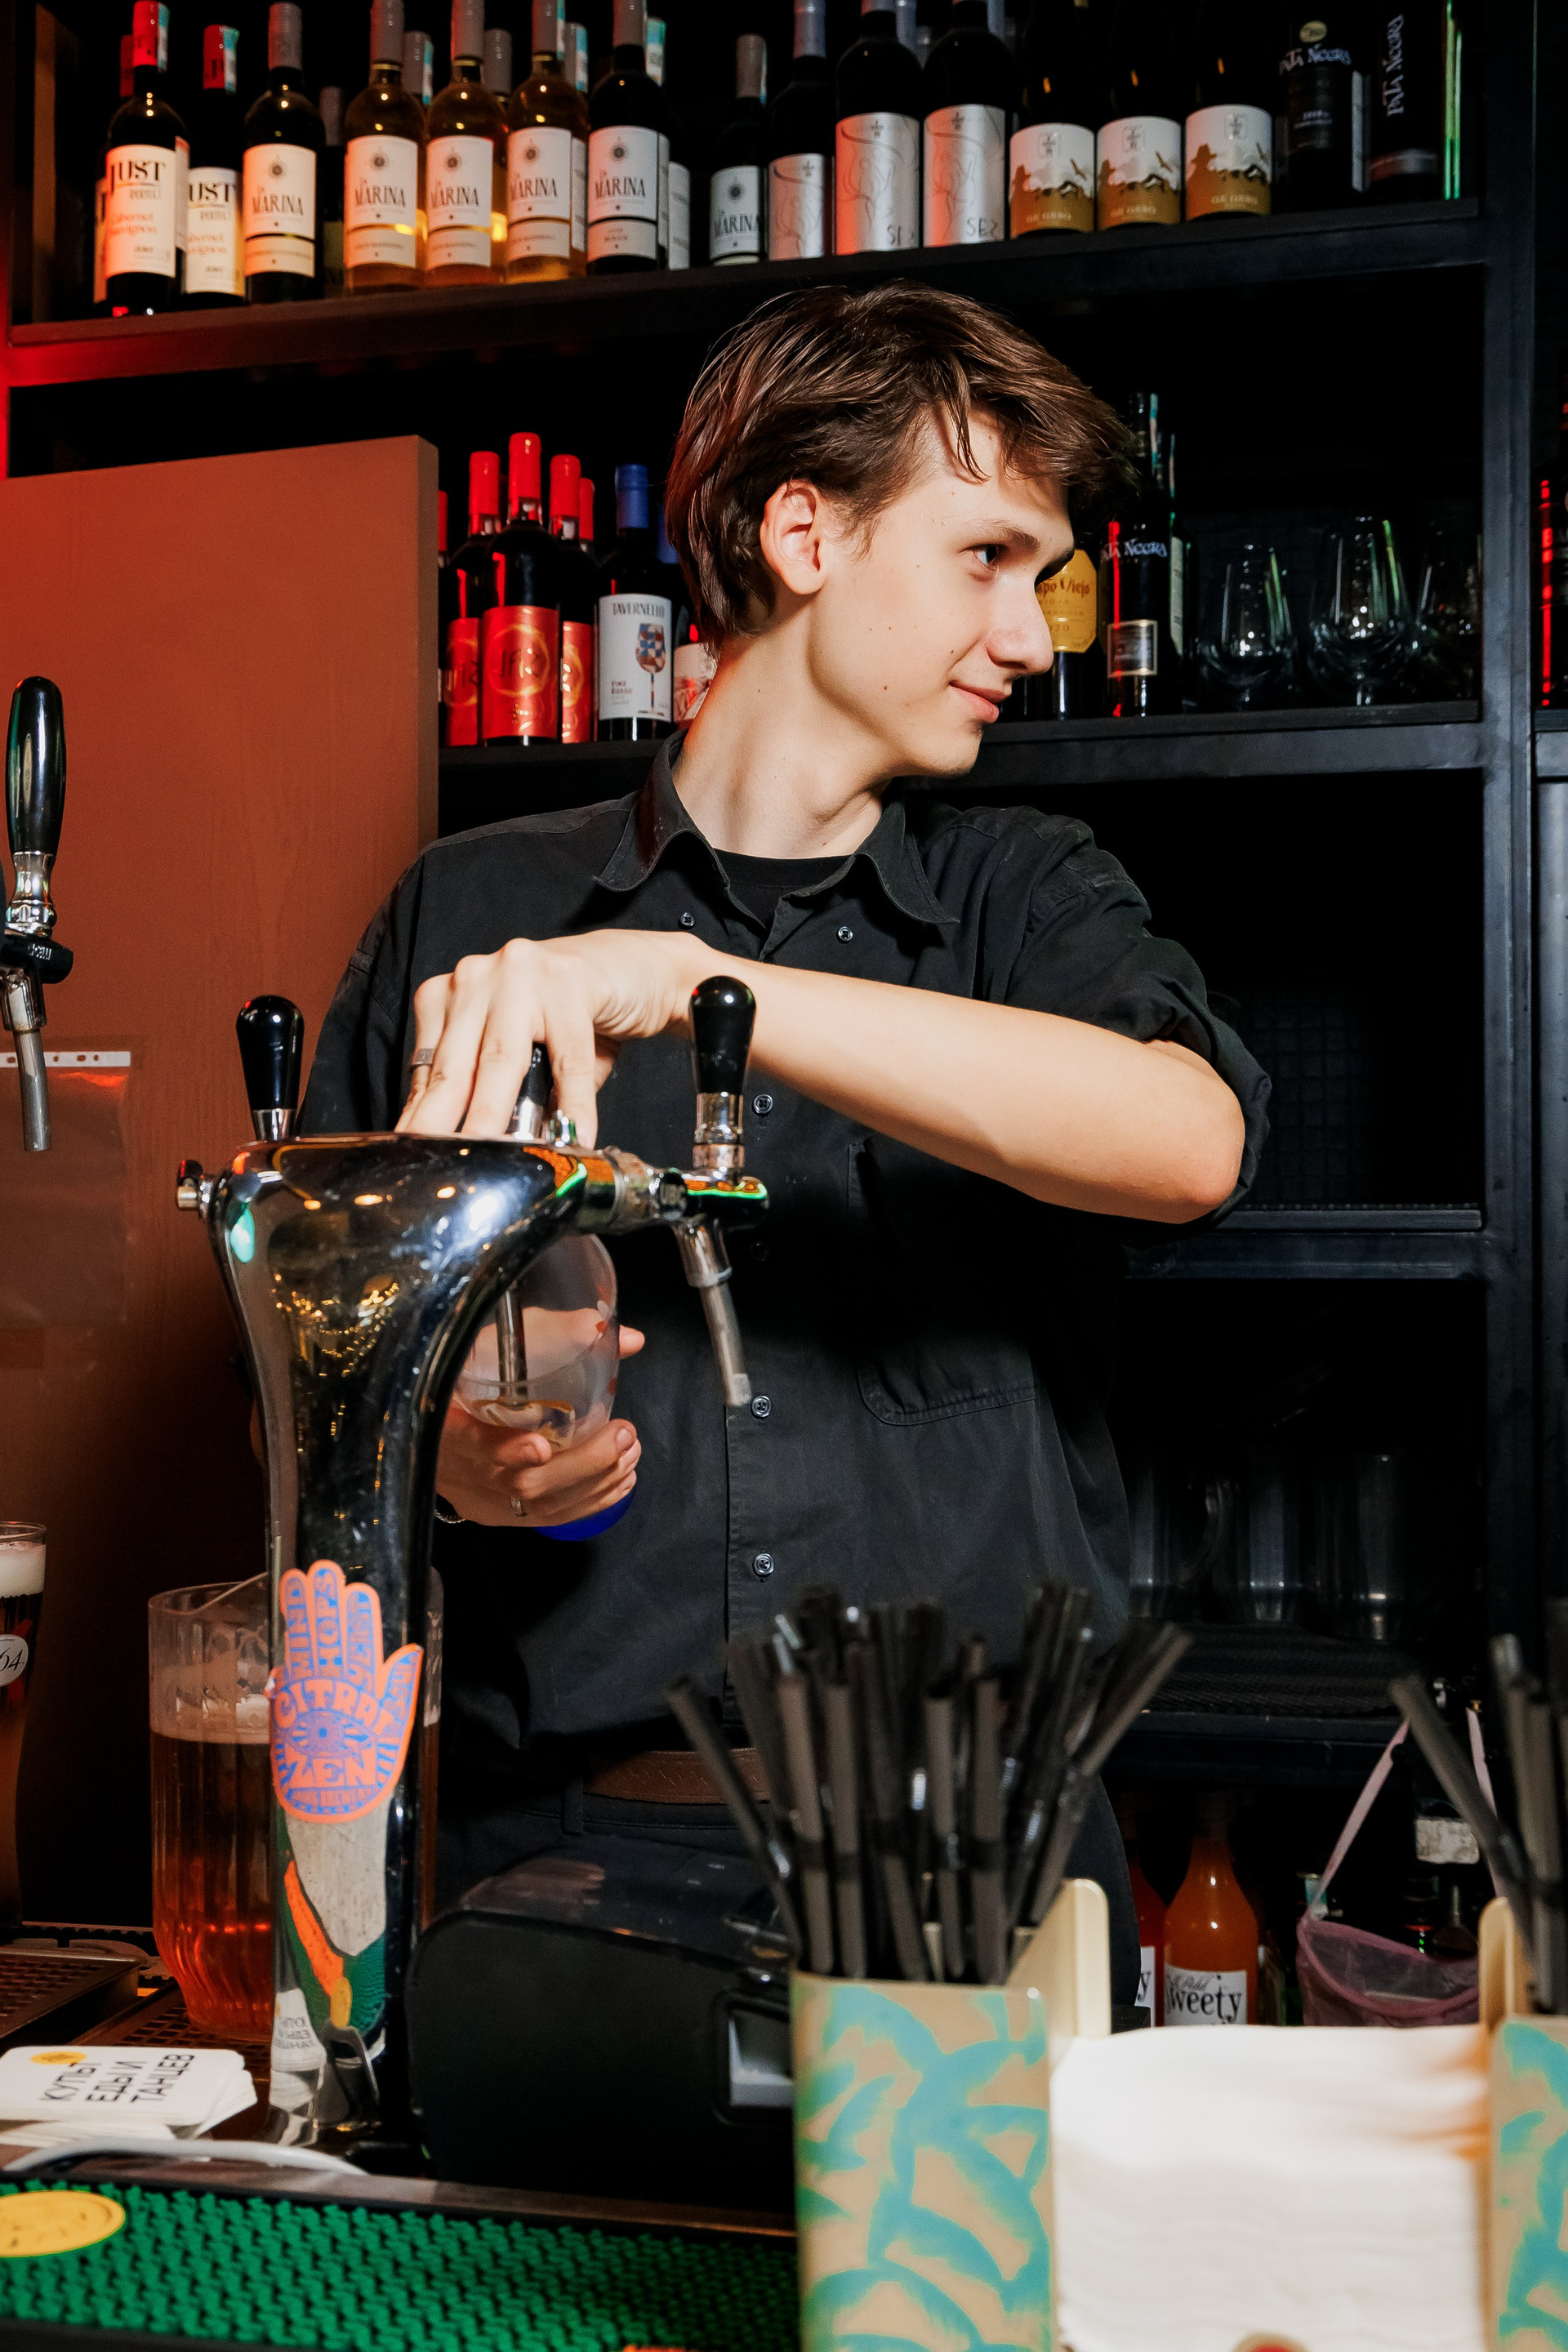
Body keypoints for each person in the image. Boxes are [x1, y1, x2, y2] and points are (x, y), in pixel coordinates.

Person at [301, 282, 1268, 1993]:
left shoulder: (1023, 895)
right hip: (561, 1872)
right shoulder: (469, 909)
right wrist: (449, 1462)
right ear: (804, 534)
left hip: (979, 1876)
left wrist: (698, 987)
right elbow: (321, 1384)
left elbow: (1187, 1142)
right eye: (987, 558)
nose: (1031, 633)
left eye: (1040, 575)